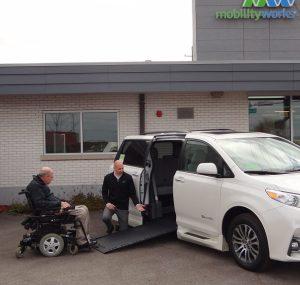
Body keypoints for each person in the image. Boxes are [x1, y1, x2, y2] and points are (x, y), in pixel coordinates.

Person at [26, 166, 95, 248]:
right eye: (51, 177)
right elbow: (40, 204)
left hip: (53, 208)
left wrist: (62, 202)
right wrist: (60, 204)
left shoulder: (39, 183)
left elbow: (49, 198)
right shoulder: (35, 186)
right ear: (46, 176)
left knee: (83, 207)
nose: (52, 179)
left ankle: (83, 236)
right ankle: (81, 241)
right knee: (82, 211)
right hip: (49, 211)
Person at [102, 160, 145, 233]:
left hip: (123, 206)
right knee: (105, 218)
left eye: (122, 168)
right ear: (114, 168)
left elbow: (132, 193)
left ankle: (120, 227)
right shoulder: (107, 178)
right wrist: (107, 203)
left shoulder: (128, 178)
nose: (121, 170)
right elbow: (104, 192)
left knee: (124, 230)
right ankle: (110, 227)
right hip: (111, 204)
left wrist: (137, 204)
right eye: (119, 169)